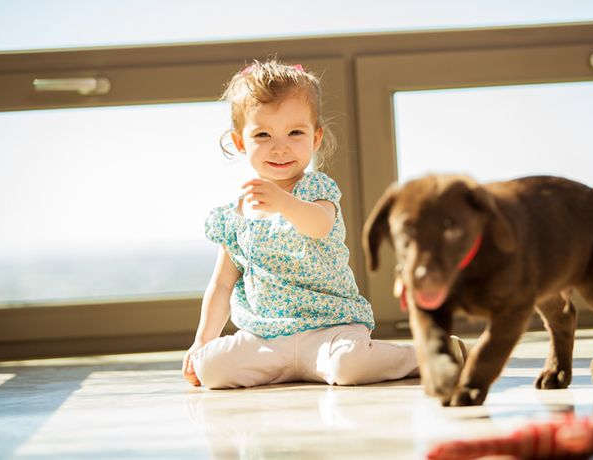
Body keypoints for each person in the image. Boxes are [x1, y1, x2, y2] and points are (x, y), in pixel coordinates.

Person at [183, 58, 463, 389]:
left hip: (331, 328)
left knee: (348, 366)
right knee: (211, 368)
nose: (281, 146)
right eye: (263, 134)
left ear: (315, 139)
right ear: (241, 142)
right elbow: (221, 284)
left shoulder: (317, 189)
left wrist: (284, 202)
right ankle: (284, 367)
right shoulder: (234, 217)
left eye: (295, 132)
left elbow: (319, 226)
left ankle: (430, 353)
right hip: (266, 337)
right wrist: (202, 340)